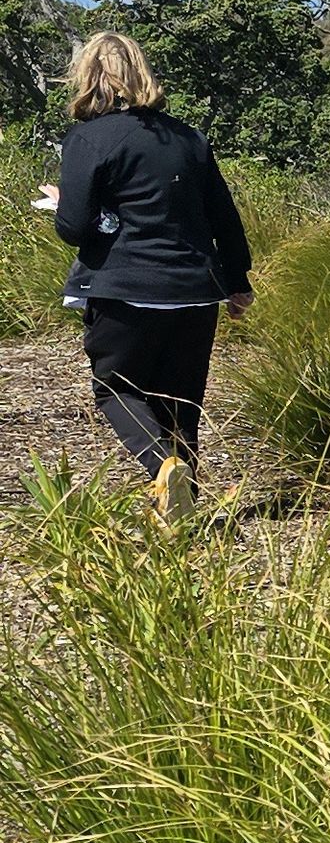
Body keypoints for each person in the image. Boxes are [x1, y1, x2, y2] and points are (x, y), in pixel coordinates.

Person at [36, 32, 254, 519]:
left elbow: (74, 228)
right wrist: (238, 282)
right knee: (182, 401)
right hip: (195, 290)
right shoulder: (188, 138)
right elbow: (224, 217)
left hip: (124, 287)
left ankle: (163, 469)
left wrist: (61, 206)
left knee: (117, 389)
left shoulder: (89, 138)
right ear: (142, 73)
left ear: (88, 77)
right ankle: (182, 510)